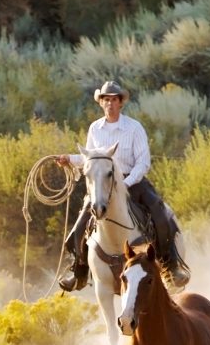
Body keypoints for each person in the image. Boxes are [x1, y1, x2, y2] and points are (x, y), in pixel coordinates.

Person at [55, 80, 188, 291]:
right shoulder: (95, 129)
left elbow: (143, 162)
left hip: (132, 181)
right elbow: (90, 158)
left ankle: (170, 266)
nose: (110, 103)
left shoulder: (134, 128)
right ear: (101, 103)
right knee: (80, 225)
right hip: (103, 183)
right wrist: (69, 159)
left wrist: (124, 184)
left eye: (114, 99)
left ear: (120, 103)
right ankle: (78, 271)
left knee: (160, 214)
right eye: (106, 99)